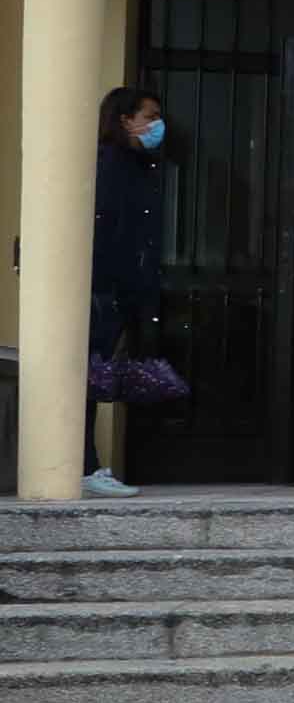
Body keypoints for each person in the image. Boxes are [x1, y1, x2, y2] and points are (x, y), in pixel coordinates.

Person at [81, 86, 167, 497]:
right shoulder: (110, 164)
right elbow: (108, 231)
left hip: (119, 287)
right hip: (105, 286)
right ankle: (84, 466)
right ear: (124, 119)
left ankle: (87, 465)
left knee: (97, 377)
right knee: (89, 377)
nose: (156, 125)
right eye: (149, 116)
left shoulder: (138, 165)